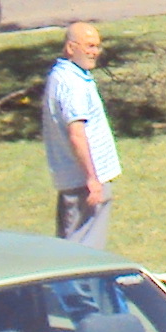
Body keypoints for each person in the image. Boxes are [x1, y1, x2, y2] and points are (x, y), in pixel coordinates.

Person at [38, 20, 119, 246]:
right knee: (83, 248)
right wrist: (92, 179)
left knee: (78, 246)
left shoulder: (68, 76)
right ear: (71, 48)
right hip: (83, 182)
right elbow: (76, 135)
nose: (95, 52)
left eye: (97, 46)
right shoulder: (71, 84)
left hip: (81, 179)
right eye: (89, 46)